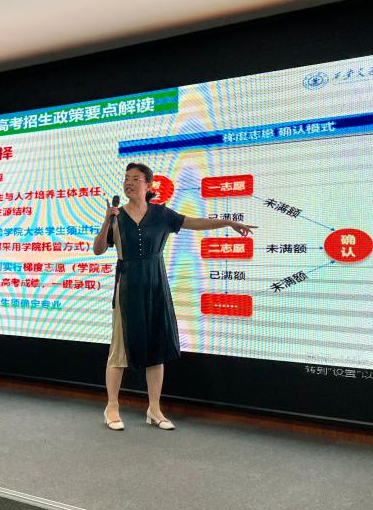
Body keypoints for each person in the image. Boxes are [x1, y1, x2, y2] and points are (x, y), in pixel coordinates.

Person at [92, 162, 256, 431]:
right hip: (128, 285)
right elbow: (98, 249)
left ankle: (154, 409)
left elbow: (194, 222)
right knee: (119, 349)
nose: (128, 182)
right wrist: (106, 221)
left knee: (157, 348)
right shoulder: (117, 216)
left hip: (156, 284)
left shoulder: (162, 214)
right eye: (126, 178)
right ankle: (111, 407)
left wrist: (227, 222)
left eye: (135, 178)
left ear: (148, 185)